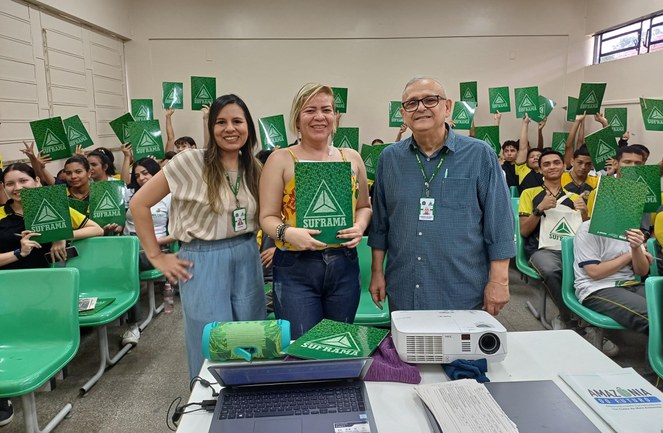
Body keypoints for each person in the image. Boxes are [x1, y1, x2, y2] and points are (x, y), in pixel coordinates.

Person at [130, 94, 265, 380]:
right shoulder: (188, 162)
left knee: (250, 333)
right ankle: (210, 406)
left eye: (237, 121)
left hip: (247, 254)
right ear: (211, 128)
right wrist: (155, 256)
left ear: (248, 127)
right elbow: (138, 204)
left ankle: (249, 401)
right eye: (221, 122)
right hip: (202, 258)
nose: (230, 128)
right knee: (211, 338)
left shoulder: (253, 166)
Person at [368, 77, 514, 315]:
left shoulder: (479, 155)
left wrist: (500, 281)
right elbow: (380, 225)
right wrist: (377, 272)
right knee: (408, 352)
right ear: (403, 114)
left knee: (462, 352)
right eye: (412, 103)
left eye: (430, 100)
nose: (421, 107)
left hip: (462, 288)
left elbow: (499, 222)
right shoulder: (389, 159)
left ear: (447, 107)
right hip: (404, 286)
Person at [259, 83, 372, 338]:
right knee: (303, 346)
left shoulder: (351, 157)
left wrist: (360, 226)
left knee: (337, 343)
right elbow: (266, 217)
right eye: (310, 110)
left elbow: (364, 206)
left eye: (326, 110)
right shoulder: (280, 159)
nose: (319, 117)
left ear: (335, 118)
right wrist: (288, 233)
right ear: (297, 119)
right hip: (295, 266)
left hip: (344, 264)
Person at [518, 149, 590, 331]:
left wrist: (584, 213)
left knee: (589, 271)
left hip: (571, 250)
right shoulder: (529, 193)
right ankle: (573, 320)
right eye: (546, 164)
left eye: (556, 162)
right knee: (552, 271)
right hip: (540, 250)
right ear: (540, 169)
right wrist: (539, 209)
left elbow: (586, 233)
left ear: (563, 166)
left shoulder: (575, 198)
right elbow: (524, 231)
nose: (552, 167)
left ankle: (576, 319)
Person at [0, 163, 103, 269]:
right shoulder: (1, 214)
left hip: (51, 277)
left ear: (37, 181)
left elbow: (97, 229)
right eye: (10, 184)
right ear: (4, 186)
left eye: (23, 181)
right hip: (8, 278)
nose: (17, 187)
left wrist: (60, 236)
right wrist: (19, 253)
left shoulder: (55, 207)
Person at [121, 157, 172, 346]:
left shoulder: (168, 197)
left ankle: (133, 325)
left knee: (128, 267)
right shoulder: (129, 195)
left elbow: (176, 233)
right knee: (123, 262)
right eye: (137, 175)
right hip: (128, 247)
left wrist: (154, 241)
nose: (141, 178)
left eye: (145, 173)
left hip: (154, 250)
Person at [573, 222, 651, 342]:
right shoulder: (588, 228)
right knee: (653, 317)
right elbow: (594, 272)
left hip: (629, 284)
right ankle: (655, 359)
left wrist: (636, 249)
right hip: (597, 288)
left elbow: (642, 271)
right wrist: (628, 256)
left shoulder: (631, 228)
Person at [513, 114, 543, 193]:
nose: (535, 158)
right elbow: (523, 148)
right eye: (531, 156)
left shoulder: (549, 172)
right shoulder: (523, 169)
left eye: (538, 156)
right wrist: (525, 123)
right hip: (527, 204)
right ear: (526, 161)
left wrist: (540, 130)